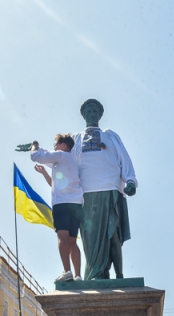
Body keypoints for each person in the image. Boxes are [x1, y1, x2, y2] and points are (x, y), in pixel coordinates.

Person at [70, 98, 138, 280]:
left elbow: (124, 158)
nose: (92, 114)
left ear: (100, 115)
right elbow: (64, 163)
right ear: (83, 115)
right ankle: (96, 275)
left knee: (113, 234)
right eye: (88, 111)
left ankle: (119, 275)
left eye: (95, 111)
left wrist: (130, 181)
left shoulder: (110, 135)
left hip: (110, 191)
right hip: (86, 196)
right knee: (90, 240)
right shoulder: (75, 139)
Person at [23, 134, 84, 283]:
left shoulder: (61, 155)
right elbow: (55, 185)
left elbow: (36, 156)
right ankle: (77, 275)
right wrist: (44, 172)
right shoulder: (72, 162)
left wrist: (35, 145)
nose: (55, 147)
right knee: (72, 241)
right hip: (75, 204)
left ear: (63, 145)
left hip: (62, 204)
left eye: (56, 144)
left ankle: (66, 271)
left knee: (62, 237)